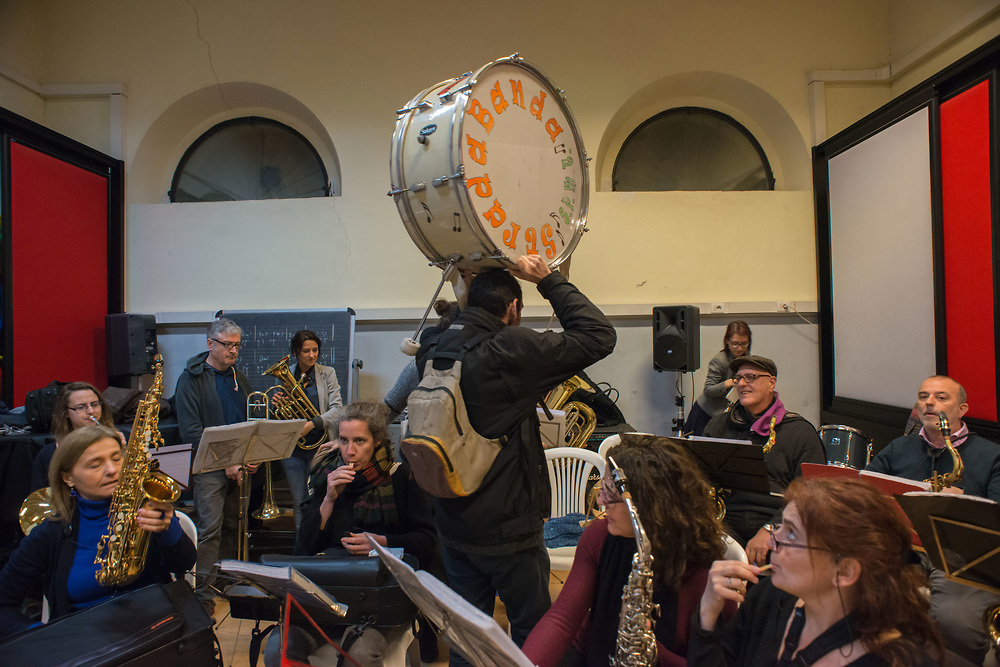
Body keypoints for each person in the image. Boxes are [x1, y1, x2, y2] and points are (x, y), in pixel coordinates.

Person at [415, 254, 616, 662]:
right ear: (512, 309)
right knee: (531, 633)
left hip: (452, 520)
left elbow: (459, 319)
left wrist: (464, 291)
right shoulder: (509, 346)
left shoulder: (433, 343)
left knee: (467, 636)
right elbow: (599, 335)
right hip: (508, 528)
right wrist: (548, 278)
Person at [522, 435, 735, 666]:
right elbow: (561, 620)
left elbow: (718, 659)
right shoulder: (599, 536)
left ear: (648, 504)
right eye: (602, 489)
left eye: (611, 496)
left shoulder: (705, 566)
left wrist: (651, 652)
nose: (601, 502)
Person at [689, 477, 944, 666]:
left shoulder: (891, 659)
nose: (770, 542)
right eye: (778, 527)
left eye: (790, 533)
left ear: (844, 571)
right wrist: (708, 616)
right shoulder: (767, 597)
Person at [263, 401, 437, 667]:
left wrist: (382, 543)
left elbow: (426, 541)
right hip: (327, 594)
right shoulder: (326, 476)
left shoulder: (401, 477)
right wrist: (329, 500)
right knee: (278, 648)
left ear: (377, 441)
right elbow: (304, 549)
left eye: (359, 441)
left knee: (359, 654)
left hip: (376, 600)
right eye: (343, 440)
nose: (350, 451)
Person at [0, 424, 196, 639]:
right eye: (95, 465)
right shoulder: (49, 533)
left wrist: (168, 529)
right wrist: (45, 641)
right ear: (68, 478)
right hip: (86, 647)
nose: (112, 470)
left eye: (116, 458)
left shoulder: (146, 507)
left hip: (155, 635)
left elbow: (183, 565)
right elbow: (4, 604)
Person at [867, 375, 1000, 666]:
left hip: (961, 556)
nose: (929, 402)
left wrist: (964, 502)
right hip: (903, 548)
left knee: (957, 622)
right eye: (924, 396)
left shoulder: (992, 455)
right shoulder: (899, 448)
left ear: (962, 408)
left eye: (941, 397)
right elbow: (863, 492)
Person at [702, 355, 825, 566]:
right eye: (738, 378)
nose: (741, 384)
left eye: (750, 377)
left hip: (778, 522)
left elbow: (812, 495)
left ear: (772, 382)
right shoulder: (717, 426)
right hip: (725, 521)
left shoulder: (800, 431)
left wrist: (773, 529)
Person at [174, 317, 255, 615]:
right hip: (210, 467)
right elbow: (192, 432)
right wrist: (226, 463)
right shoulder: (191, 379)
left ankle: (228, 581)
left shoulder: (239, 377)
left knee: (237, 525)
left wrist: (249, 454)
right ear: (210, 343)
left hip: (239, 466)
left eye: (236, 345)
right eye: (226, 345)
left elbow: (249, 423)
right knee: (210, 529)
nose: (233, 351)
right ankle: (202, 595)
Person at [273, 329, 343, 529]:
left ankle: (320, 542)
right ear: (296, 352)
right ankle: (302, 544)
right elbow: (278, 413)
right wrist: (275, 404)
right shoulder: (284, 376)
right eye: (306, 351)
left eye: (315, 350)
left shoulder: (327, 373)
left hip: (320, 447)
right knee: (298, 500)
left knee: (321, 497)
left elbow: (337, 410)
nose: (312, 355)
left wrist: (312, 424)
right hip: (292, 449)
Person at [30, 382, 121, 492]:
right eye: (81, 407)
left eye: (95, 404)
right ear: (66, 413)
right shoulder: (49, 453)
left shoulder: (119, 440)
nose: (91, 411)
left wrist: (123, 453)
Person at [684, 321, 752, 436]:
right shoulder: (719, 360)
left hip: (724, 415)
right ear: (727, 342)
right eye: (735, 344)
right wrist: (729, 383)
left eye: (744, 344)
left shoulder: (747, 357)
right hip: (706, 413)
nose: (740, 348)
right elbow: (708, 391)